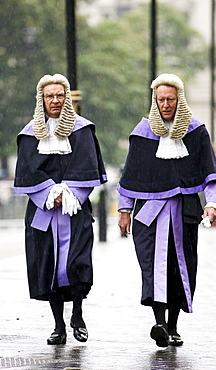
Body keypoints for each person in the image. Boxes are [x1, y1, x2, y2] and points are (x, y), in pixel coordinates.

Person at [118, 73, 216, 347]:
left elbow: (210, 174)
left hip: (183, 213)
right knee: (151, 267)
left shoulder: (196, 132)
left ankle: (173, 325)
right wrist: (124, 210)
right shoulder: (142, 133)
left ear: (179, 99)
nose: (165, 105)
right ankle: (159, 322)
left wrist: (212, 204)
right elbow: (130, 176)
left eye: (170, 99)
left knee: (178, 268)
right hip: (147, 216)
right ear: (155, 100)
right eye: (160, 100)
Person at [13, 73, 107, 345]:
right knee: (48, 268)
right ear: (41, 99)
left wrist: (69, 193)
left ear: (67, 98)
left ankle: (77, 314)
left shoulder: (83, 130)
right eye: (49, 96)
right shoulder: (30, 133)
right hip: (42, 213)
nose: (54, 100)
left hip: (75, 211)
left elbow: (88, 167)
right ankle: (58, 326)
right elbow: (27, 172)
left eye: (59, 95)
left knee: (77, 264)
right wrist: (48, 192)